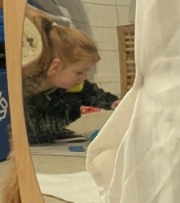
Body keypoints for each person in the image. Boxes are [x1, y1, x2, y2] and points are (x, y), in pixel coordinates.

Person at [21, 9, 118, 145]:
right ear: (55, 67)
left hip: (52, 133)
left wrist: (112, 102)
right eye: (79, 72)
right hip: (26, 138)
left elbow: (93, 94)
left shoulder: (73, 85)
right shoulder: (25, 85)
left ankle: (53, 133)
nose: (84, 78)